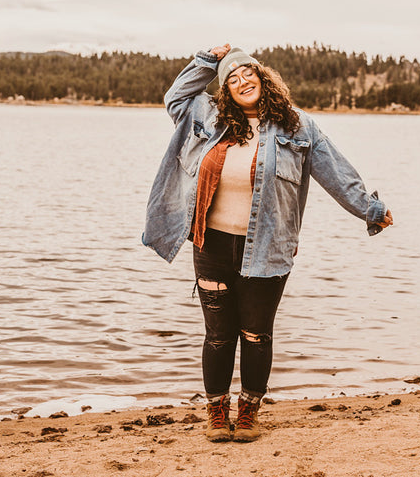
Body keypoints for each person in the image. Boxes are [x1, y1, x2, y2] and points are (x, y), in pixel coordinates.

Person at [142, 44, 393, 443]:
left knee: (257, 333)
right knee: (218, 334)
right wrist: (208, 60)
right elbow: (176, 96)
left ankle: (248, 413)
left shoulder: (299, 127)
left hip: (269, 246)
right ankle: (216, 410)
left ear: (264, 79)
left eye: (248, 74)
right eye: (232, 78)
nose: (242, 81)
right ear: (225, 89)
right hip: (211, 245)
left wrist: (371, 209)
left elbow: (336, 173)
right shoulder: (206, 117)